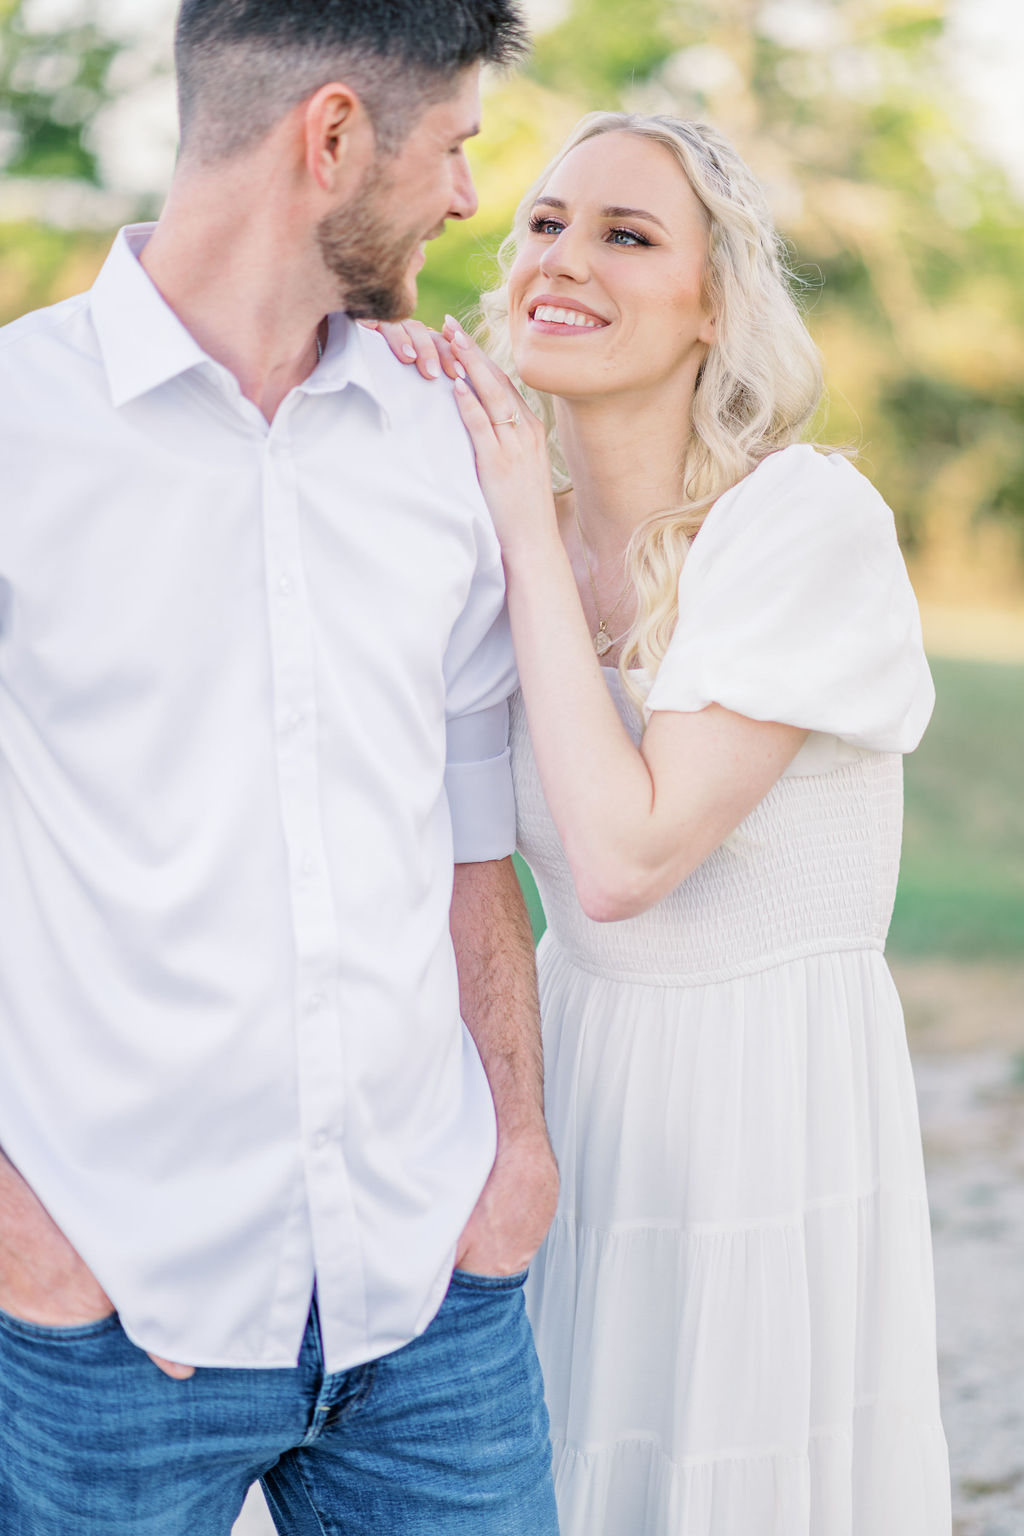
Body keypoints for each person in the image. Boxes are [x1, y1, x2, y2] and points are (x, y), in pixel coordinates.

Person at [0, 3, 563, 1533]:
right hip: (99, 1323)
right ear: (331, 138)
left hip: (430, 1306)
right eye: (452, 146)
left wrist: (512, 1151)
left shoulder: (435, 439)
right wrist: (23, 1241)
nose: (466, 197)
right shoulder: (17, 436)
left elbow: (465, 830)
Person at [378, 111, 952, 1534]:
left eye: (629, 236)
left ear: (715, 306)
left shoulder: (801, 524)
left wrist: (517, 521)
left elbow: (627, 856)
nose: (566, 260)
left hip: (763, 1101)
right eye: (548, 224)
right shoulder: (489, 522)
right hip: (564, 1075)